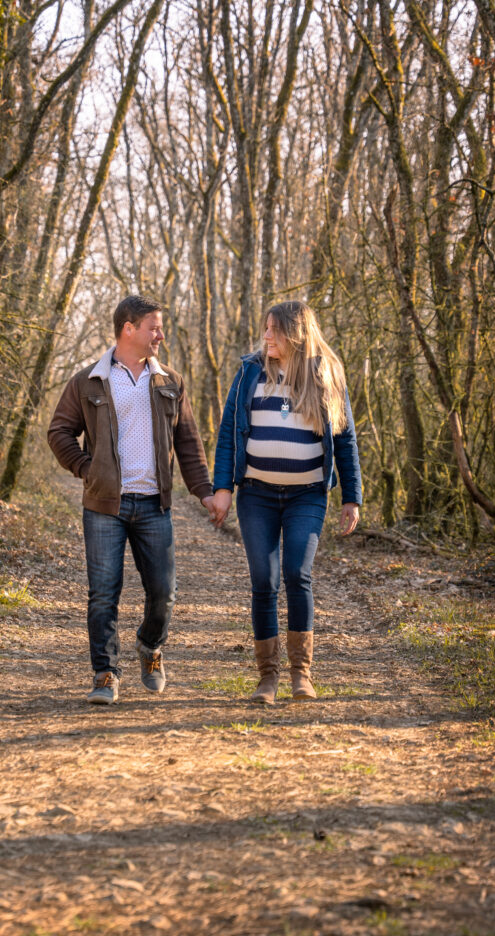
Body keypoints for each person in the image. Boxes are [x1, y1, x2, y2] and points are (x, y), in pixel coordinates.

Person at [47, 295, 215, 704]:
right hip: (105, 506)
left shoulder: (170, 382)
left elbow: (188, 443)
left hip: (154, 505)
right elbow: (59, 433)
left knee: (165, 592)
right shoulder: (88, 380)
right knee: (103, 592)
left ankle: (149, 646)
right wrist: (89, 469)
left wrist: (206, 492)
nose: (160, 335)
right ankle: (105, 674)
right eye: (154, 327)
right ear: (129, 328)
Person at [210, 301, 361, 705]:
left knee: (297, 573)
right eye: (265, 329)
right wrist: (222, 486)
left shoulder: (326, 375)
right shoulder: (249, 373)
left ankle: (301, 674)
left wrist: (352, 497)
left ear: (296, 334)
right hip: (256, 494)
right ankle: (267, 678)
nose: (266, 337)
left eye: (274, 330)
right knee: (264, 579)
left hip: (306, 496)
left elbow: (345, 440)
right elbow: (229, 432)